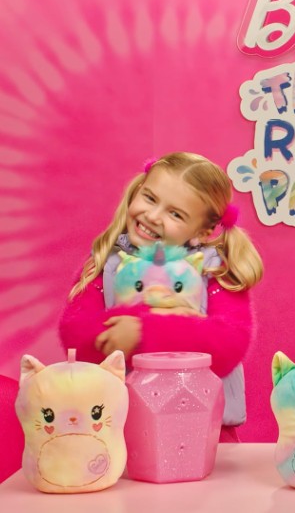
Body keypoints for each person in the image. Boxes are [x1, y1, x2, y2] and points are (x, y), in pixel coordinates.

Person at [59, 152, 263, 441]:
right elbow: (74, 332)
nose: (153, 216)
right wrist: (125, 329)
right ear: (138, 190)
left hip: (204, 431)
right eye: (150, 198)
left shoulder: (214, 270)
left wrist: (144, 333)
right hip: (120, 430)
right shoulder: (107, 263)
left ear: (203, 231)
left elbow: (230, 340)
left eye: (175, 214)